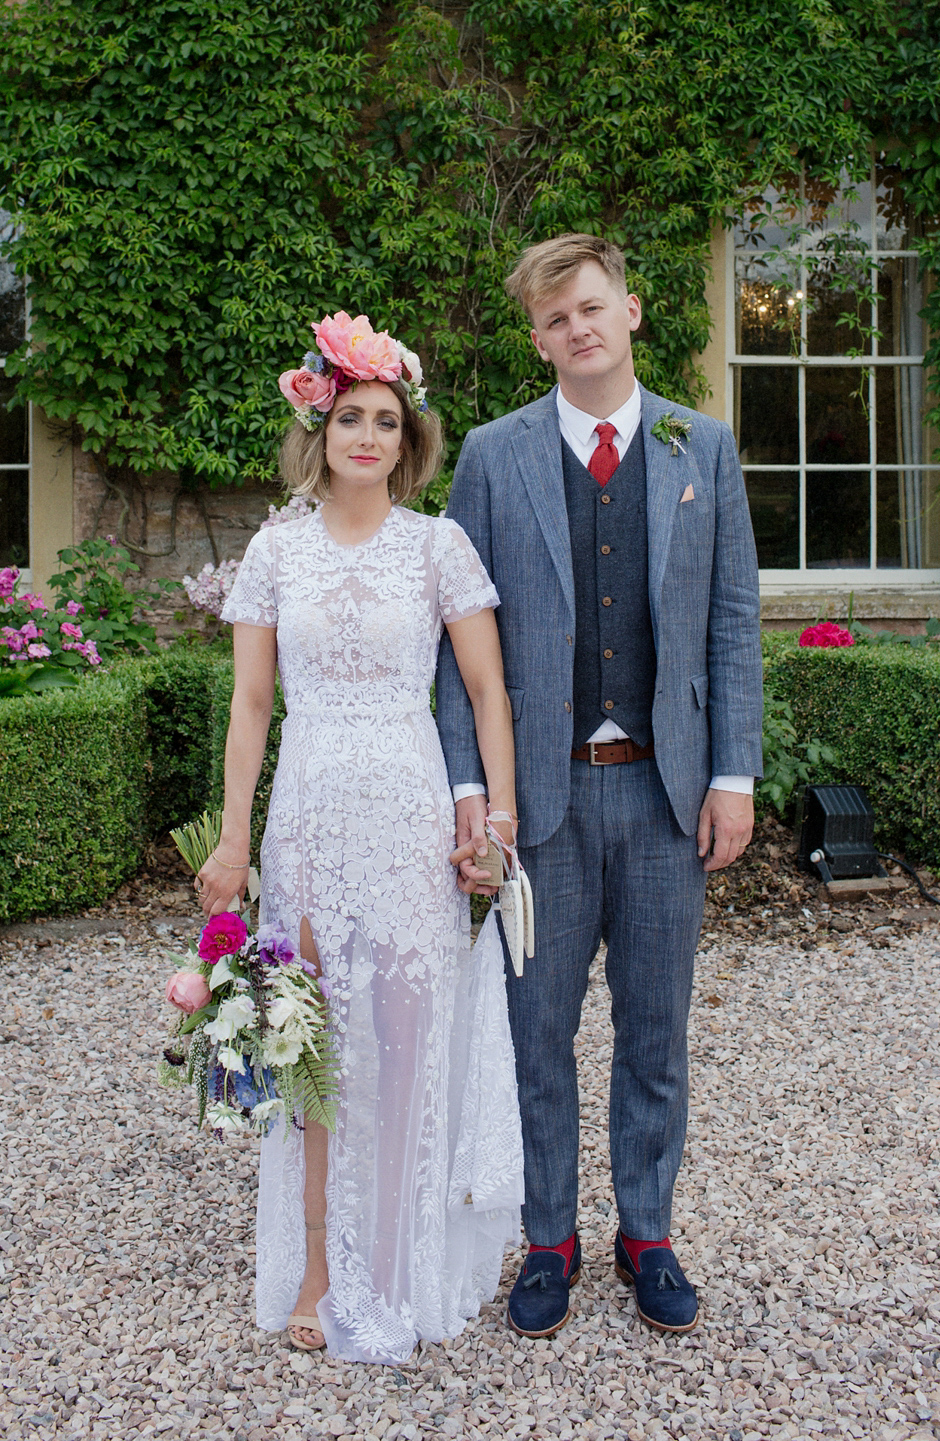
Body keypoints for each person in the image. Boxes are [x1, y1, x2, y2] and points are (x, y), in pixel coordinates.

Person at [436, 234, 763, 1339]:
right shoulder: (493, 454)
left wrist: (734, 775)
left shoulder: (700, 446)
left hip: (669, 796)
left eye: (592, 307)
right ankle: (549, 1238)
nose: (577, 328)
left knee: (656, 1028)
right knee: (537, 1030)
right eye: (554, 318)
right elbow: (457, 645)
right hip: (544, 802)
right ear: (537, 337)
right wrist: (470, 790)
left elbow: (730, 622)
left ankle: (648, 1230)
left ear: (632, 310)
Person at [197, 312, 523, 1364]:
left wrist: (499, 822)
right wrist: (235, 836)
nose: (369, 436)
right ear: (320, 427)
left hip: (409, 813)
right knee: (315, 1042)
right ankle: (320, 1269)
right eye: (351, 417)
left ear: (409, 437)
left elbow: (485, 689)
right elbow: (252, 703)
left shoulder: (438, 545)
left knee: (407, 1040)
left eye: (387, 419)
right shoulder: (274, 548)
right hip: (307, 812)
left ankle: (400, 1257)